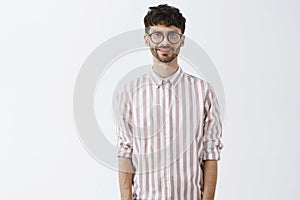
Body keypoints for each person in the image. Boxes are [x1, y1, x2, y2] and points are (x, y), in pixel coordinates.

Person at [113, 4, 223, 200]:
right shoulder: (129, 93)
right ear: (146, 39)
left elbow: (211, 152)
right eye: (157, 35)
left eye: (172, 35)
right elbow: (125, 151)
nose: (165, 42)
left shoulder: (203, 92)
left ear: (182, 41)